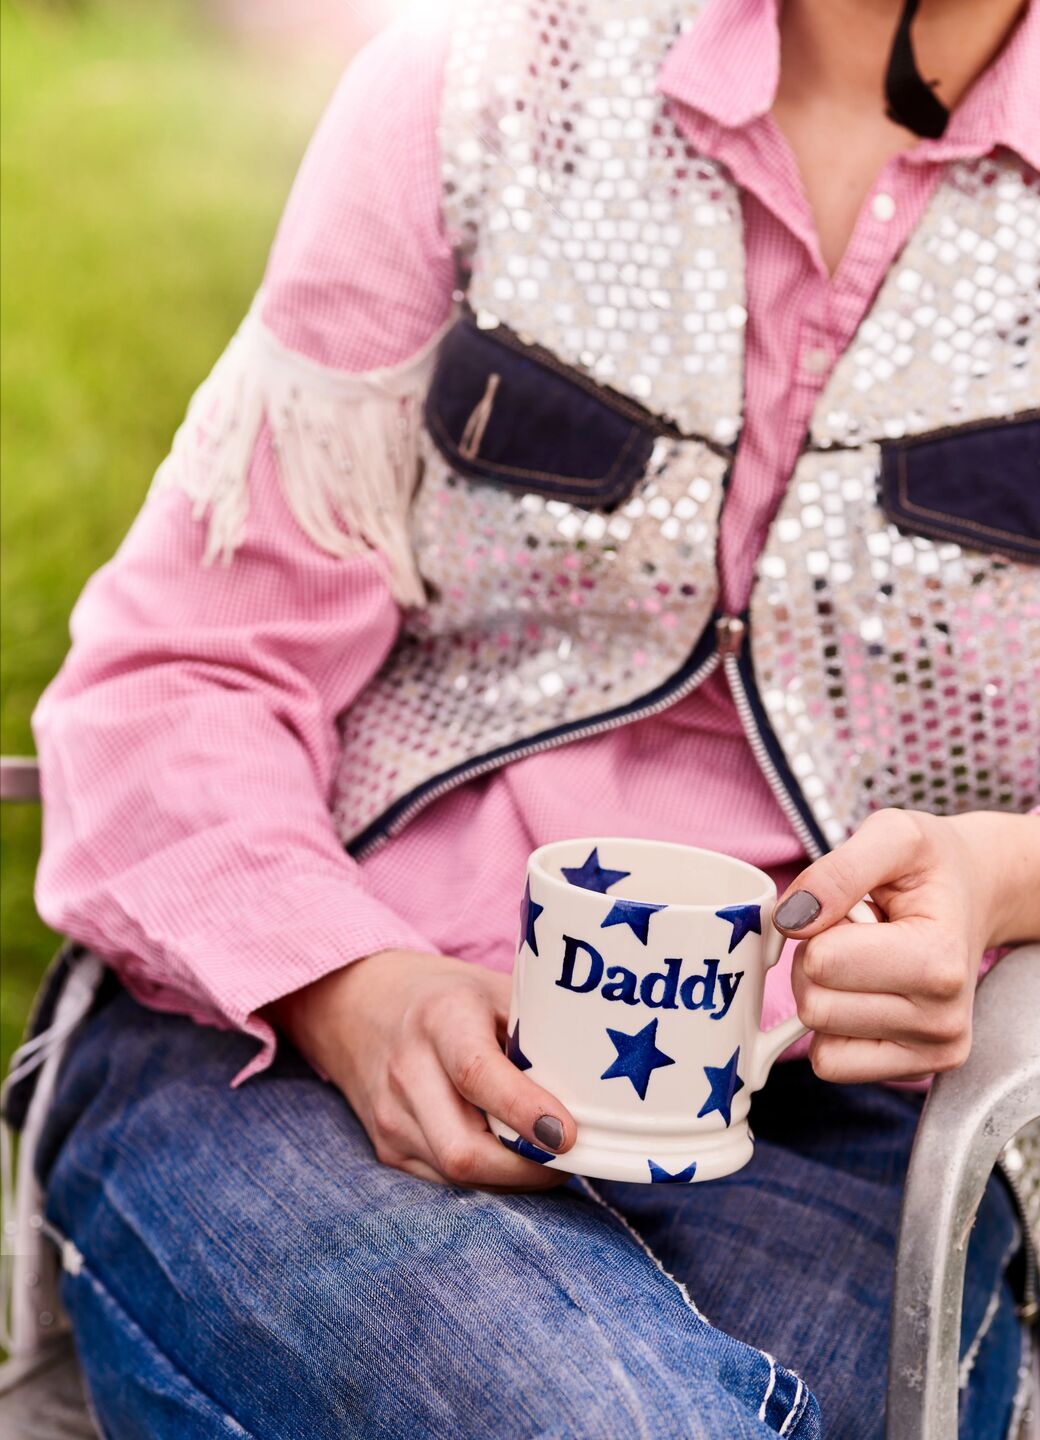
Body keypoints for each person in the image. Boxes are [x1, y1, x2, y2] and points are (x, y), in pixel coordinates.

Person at [12, 0, 1040, 1434]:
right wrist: (350, 990)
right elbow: (182, 672)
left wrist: (997, 873)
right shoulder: (479, 92)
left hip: (832, 1121)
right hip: (291, 1048)